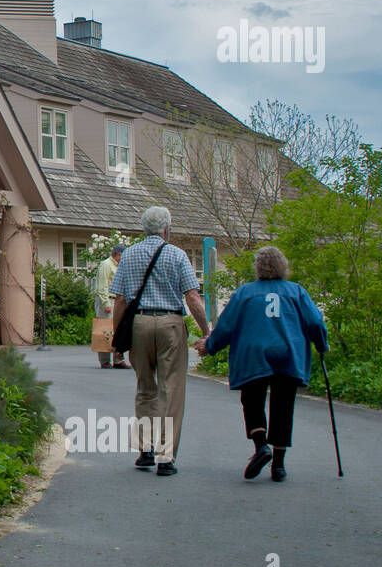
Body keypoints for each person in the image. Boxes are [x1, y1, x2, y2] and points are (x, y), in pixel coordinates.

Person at [196, 245, 328, 483]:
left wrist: (211, 346)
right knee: (283, 405)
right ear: (283, 266)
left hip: (254, 355)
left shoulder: (245, 293)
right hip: (288, 353)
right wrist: (321, 345)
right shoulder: (296, 292)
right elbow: (315, 322)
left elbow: (226, 325)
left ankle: (261, 446)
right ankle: (278, 465)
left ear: (258, 267)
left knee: (252, 401)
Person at [110, 206, 210, 477]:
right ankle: (166, 458)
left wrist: (116, 337)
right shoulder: (177, 255)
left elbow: (119, 299)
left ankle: (145, 450)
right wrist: (206, 330)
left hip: (139, 324)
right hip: (170, 324)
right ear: (166, 228)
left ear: (144, 228)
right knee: (171, 390)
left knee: (145, 387)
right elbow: (192, 297)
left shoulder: (128, 255)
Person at [94, 244, 129, 369]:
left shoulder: (120, 266)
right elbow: (102, 285)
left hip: (117, 300)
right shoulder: (106, 265)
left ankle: (118, 359)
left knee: (119, 330)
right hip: (107, 299)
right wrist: (105, 303)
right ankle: (105, 360)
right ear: (118, 254)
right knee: (105, 330)